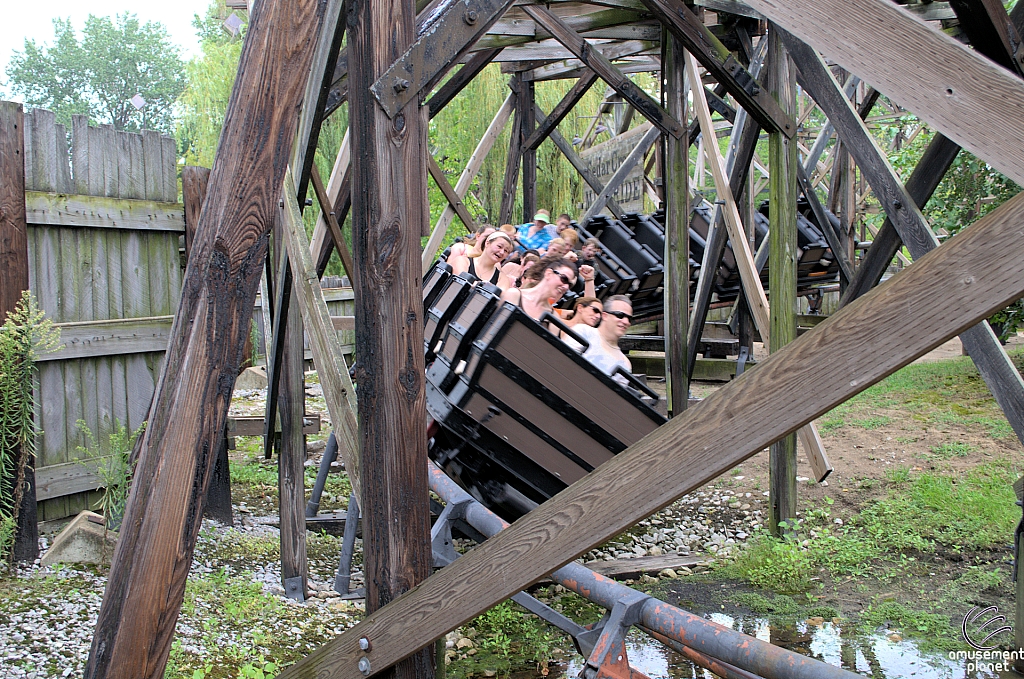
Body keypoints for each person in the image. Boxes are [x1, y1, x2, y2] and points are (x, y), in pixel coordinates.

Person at [571, 295, 634, 385]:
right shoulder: (583, 332)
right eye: (620, 315)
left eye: (629, 318)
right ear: (604, 316)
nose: (625, 322)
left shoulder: (625, 363)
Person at [501, 258, 578, 324]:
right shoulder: (514, 295)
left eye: (570, 285)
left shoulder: (553, 317)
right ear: (548, 273)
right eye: (564, 279)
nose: (566, 287)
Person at [449, 231, 514, 289]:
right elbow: (460, 282)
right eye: (499, 246)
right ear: (487, 243)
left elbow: (499, 298)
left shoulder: (502, 279)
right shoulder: (462, 261)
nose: (502, 252)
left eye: (506, 251)